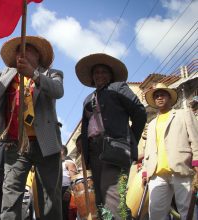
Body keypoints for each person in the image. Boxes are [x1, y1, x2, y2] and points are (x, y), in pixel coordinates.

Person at [0, 33, 64, 219]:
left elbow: (58, 91)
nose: (21, 54)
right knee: (11, 194)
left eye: (27, 50)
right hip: (15, 144)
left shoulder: (52, 74)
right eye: (18, 50)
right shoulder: (9, 74)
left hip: (46, 144)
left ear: (38, 56)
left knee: (49, 197)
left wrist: (33, 74)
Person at [75, 53, 147, 219]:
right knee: (101, 201)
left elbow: (140, 112)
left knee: (113, 198)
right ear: (92, 77)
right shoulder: (87, 99)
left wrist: (130, 140)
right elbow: (86, 129)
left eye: (104, 72)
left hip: (117, 149)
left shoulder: (118, 88)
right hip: (94, 153)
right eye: (96, 72)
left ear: (111, 75)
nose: (99, 75)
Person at [142, 83, 198, 219]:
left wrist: (197, 164)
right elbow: (148, 150)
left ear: (169, 97)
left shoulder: (183, 114)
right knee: (155, 213)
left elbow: (195, 140)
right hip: (157, 173)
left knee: (188, 211)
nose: (159, 97)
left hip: (181, 168)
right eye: (156, 96)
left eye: (162, 94)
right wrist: (145, 171)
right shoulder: (152, 124)